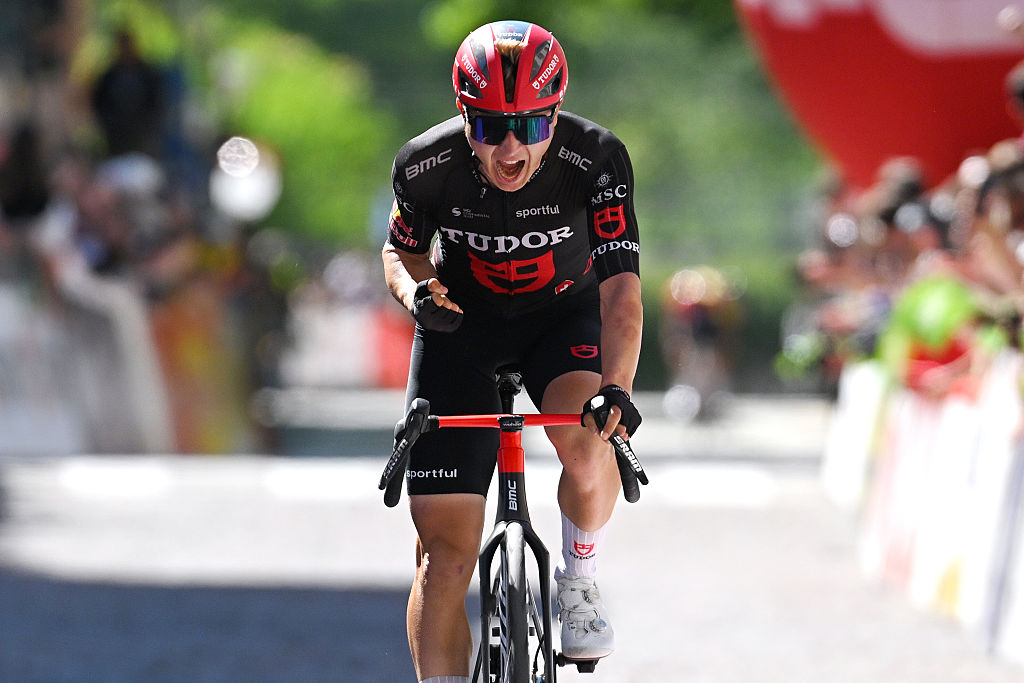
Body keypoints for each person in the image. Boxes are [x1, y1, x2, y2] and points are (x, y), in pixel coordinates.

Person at [381, 20, 643, 683]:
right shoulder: (425, 164)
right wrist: (416, 294)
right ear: (463, 114)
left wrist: (617, 387)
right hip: (460, 328)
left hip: (562, 317)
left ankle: (579, 578)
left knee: (588, 439)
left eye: (529, 125)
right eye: (491, 125)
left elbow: (620, 292)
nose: (509, 146)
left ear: (555, 115)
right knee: (444, 559)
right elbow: (400, 251)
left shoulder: (597, 159)